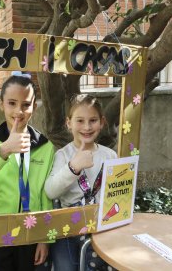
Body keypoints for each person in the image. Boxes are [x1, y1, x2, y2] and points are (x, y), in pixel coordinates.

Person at [0, 74, 55, 271]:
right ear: (1, 105)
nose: (19, 111)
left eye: (26, 104)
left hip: (32, 230)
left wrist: (45, 238)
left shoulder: (46, 146)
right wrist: (4, 150)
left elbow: (45, 193)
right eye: (12, 103)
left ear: (34, 106)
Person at [44, 94, 117, 271]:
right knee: (65, 267)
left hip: (100, 227)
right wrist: (73, 167)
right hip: (68, 228)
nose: (87, 127)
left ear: (102, 122)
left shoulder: (110, 156)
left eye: (93, 120)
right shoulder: (63, 155)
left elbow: (117, 194)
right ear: (68, 123)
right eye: (80, 121)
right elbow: (50, 191)